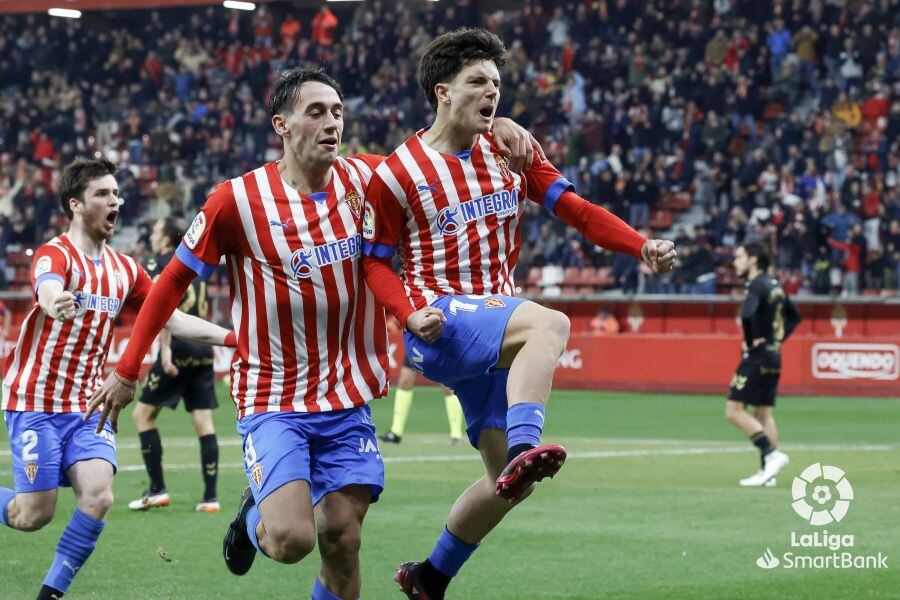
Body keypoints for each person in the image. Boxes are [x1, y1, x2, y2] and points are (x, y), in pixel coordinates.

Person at [86, 68, 539, 600]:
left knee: (343, 541)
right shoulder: (236, 201)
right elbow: (168, 286)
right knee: (290, 539)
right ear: (281, 124)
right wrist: (127, 367)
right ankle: (255, 516)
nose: (332, 123)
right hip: (273, 394)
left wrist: (495, 123)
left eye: (338, 112)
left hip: (346, 398)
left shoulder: (370, 180)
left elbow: (440, 145)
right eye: (316, 112)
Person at [359, 28, 676, 599]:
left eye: (497, 84)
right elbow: (376, 265)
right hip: (441, 321)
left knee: (506, 484)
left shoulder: (511, 150)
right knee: (551, 323)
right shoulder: (397, 173)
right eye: (477, 81)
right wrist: (406, 314)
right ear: (442, 92)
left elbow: (577, 211)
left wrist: (641, 245)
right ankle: (530, 447)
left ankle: (430, 575)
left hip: (495, 318)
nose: (492, 93)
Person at [0, 157, 234, 600]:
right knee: (33, 515)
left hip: (89, 405)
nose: (116, 201)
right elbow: (47, 284)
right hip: (36, 404)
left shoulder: (124, 269)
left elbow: (174, 320)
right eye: (103, 194)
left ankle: (50, 595)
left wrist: (236, 339)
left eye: (117, 193)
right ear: (75, 204)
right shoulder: (56, 255)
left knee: (99, 496)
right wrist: (55, 302)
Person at [128, 217, 221, 513]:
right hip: (203, 349)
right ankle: (210, 498)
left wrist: (165, 353)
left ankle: (157, 491)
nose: (152, 235)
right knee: (204, 422)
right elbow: (202, 310)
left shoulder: (160, 264)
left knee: (142, 415)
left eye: (155, 230)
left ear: (166, 238)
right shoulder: (196, 266)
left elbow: (163, 307)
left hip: (178, 348)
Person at [725, 243, 801, 487]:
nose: (735, 262)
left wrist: (749, 343)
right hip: (774, 355)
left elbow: (747, 315)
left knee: (734, 410)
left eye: (739, 257)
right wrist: (776, 339)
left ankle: (771, 454)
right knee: (764, 413)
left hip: (757, 356)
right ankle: (768, 473)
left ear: (753, 260)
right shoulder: (774, 285)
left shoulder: (756, 285)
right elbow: (795, 316)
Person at [379, 342, 464, 445]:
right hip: (416, 344)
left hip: (438, 343)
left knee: (447, 386)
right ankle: (396, 432)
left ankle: (456, 434)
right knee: (405, 383)